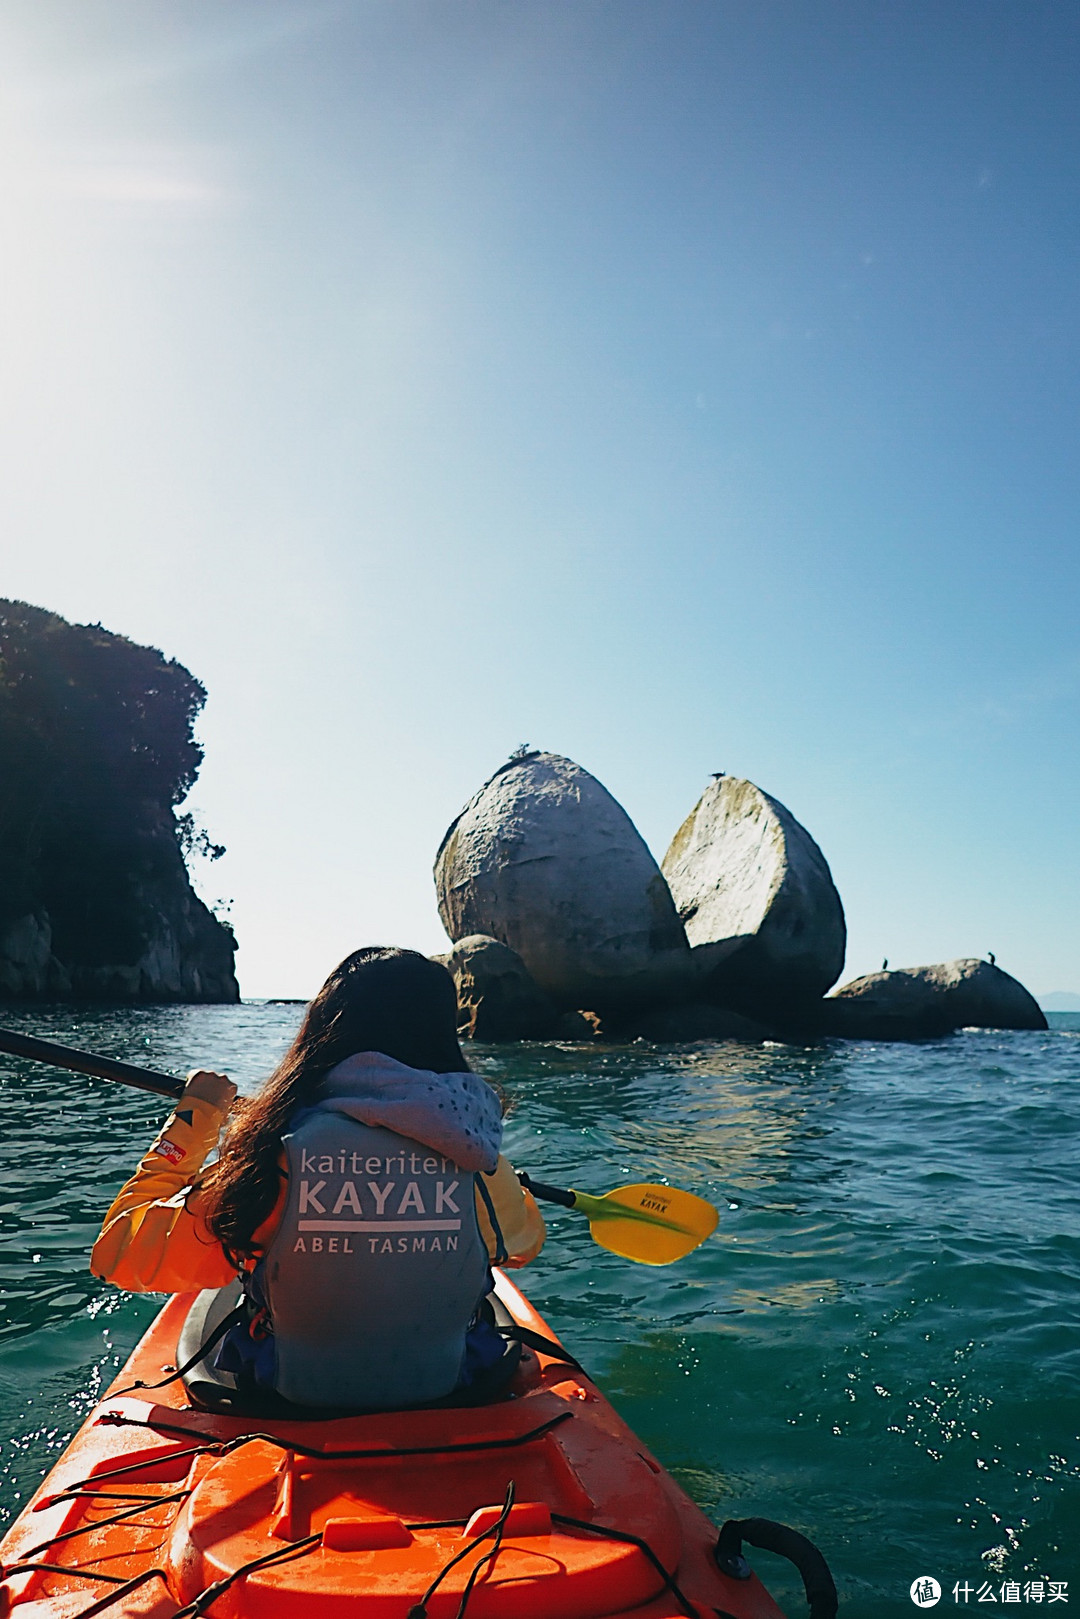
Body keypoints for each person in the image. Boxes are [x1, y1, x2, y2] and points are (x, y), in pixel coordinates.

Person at [91, 947, 545, 1412]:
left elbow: (116, 1256)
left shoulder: (269, 1159)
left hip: (288, 1393)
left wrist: (193, 1120)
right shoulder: (480, 1162)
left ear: (322, 1031)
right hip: (448, 1385)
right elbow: (524, 1247)